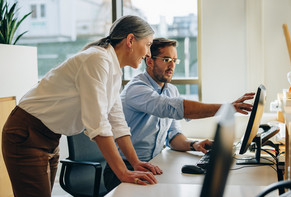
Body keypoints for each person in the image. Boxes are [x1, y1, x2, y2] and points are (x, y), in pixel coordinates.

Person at [1, 15, 164, 197]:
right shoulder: (97, 60)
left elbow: (116, 121)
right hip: (27, 132)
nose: (148, 53)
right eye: (148, 44)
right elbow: (98, 124)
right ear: (131, 40)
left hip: (49, 137)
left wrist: (135, 162)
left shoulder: (113, 70)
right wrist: (122, 172)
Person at [103, 37, 255, 191]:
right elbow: (176, 109)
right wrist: (227, 108)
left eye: (175, 60)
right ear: (149, 61)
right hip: (124, 168)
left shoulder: (171, 90)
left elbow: (173, 136)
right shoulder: (136, 89)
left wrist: (194, 145)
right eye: (166, 59)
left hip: (153, 165)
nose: (172, 66)